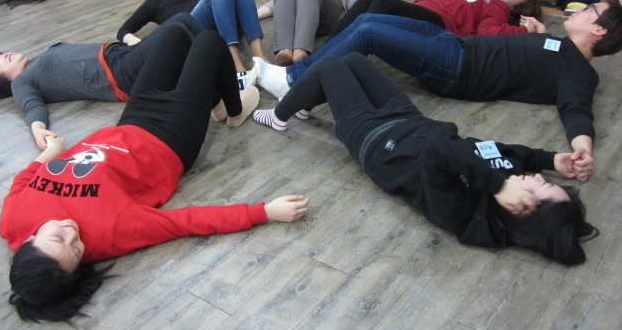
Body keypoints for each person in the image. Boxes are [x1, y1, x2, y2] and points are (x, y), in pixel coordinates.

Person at [0, 25, 308, 323]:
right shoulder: (110, 232)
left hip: (130, 123)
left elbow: (24, 179)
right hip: (170, 140)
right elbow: (185, 222)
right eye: (77, 249)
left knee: (173, 35)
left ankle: (217, 104)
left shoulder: (12, 221)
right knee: (209, 42)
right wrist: (265, 212)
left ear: (29, 240)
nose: (71, 231)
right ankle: (234, 110)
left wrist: (51, 152)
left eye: (58, 237)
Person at [253, 53, 596, 265]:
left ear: (522, 211)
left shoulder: (463, 214)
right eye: (546, 180)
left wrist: (497, 185)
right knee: (355, 61)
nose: (538, 178)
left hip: (377, 143)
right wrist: (550, 159)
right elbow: (499, 150)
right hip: (410, 122)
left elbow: (438, 152)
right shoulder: (511, 181)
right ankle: (304, 101)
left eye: (542, 187)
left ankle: (279, 116)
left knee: (330, 66)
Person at [253, 0, 622, 181]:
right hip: (455, 43)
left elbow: (576, 110)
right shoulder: (560, 46)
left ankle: (293, 82)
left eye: (590, 9)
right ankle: (305, 94)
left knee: (368, 33)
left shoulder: (579, 71)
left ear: (599, 30)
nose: (581, 8)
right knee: (368, 16)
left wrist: (583, 149)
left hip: (459, 68)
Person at [0, 13, 219, 150]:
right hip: (120, 72)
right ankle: (225, 79)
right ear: (2, 81)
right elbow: (31, 106)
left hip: (123, 57)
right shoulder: (21, 82)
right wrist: (37, 128)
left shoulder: (35, 63)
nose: (4, 56)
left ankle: (218, 93)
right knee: (182, 22)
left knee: (182, 38)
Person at [117, 0, 266, 81]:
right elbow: (123, 31)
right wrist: (140, 44)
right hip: (194, 35)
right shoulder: (153, 4)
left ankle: (261, 59)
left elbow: (223, 2)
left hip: (225, 29)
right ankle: (236, 67)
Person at [326, 0, 542, 41]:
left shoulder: (499, 10)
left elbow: (489, 32)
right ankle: (325, 53)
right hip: (423, 10)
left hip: (438, 23)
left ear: (514, 8)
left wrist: (524, 30)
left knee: (380, 8)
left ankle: (328, 61)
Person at [257, 0, 360, 66]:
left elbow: (357, 3)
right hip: (299, 14)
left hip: (327, 7)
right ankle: (285, 50)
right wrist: (253, 17)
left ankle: (300, 50)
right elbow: (279, 2)